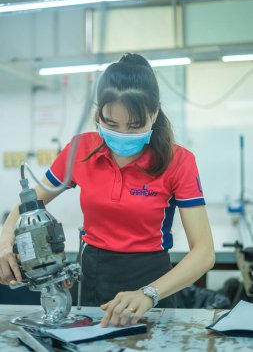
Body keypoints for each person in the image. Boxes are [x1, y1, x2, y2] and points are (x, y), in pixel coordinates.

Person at [0, 53, 215, 328]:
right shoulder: (80, 150)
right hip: (94, 277)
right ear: (98, 113)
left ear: (155, 114)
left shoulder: (178, 161)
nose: (122, 135)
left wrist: (149, 294)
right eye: (111, 125)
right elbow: (27, 205)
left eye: (135, 126)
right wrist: (5, 242)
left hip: (152, 280)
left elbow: (205, 252)